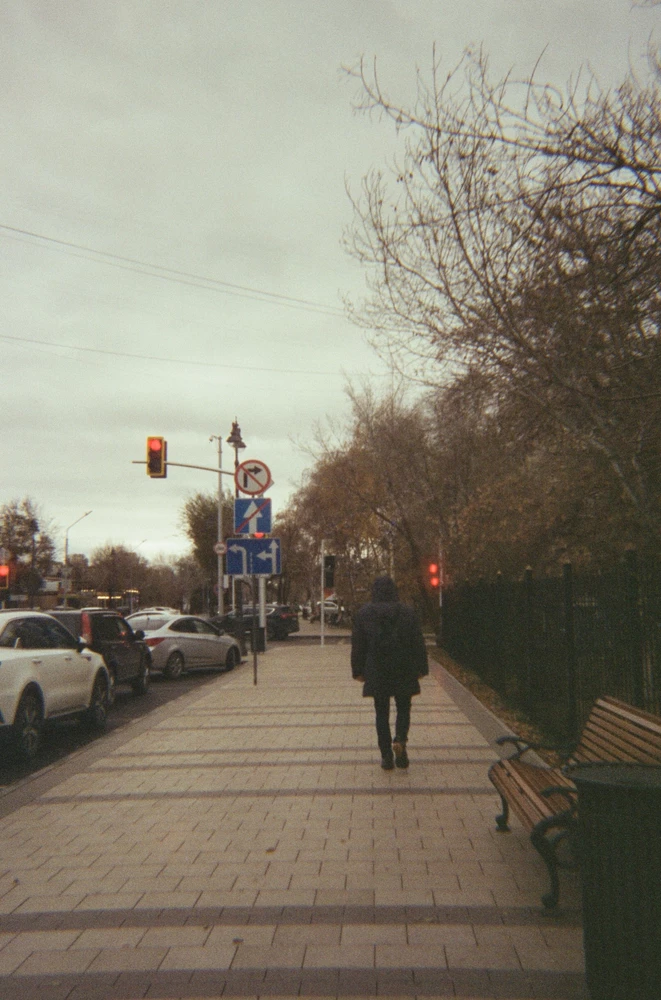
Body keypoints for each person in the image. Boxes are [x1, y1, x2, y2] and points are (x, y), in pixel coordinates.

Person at [351, 575, 429, 769]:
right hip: (404, 668)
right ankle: (400, 740)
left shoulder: (364, 614)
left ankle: (386, 755)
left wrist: (357, 671)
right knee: (403, 708)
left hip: (377, 670)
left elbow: (358, 646)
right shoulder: (408, 613)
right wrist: (421, 667)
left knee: (381, 712)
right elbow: (418, 643)